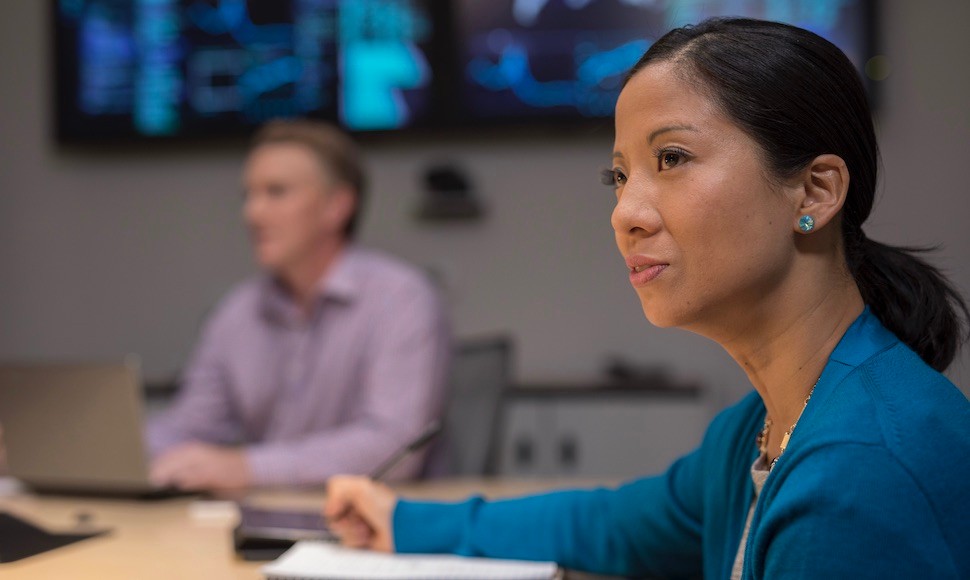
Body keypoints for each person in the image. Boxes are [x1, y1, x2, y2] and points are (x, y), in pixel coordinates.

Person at [322, 18, 970, 579]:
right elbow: (613, 525)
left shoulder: (858, 474)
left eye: (674, 159)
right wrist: (404, 521)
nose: (624, 213)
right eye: (619, 175)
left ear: (815, 192)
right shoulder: (759, 428)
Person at [147, 120, 451, 491]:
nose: (253, 213)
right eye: (248, 195)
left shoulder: (401, 298)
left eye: (276, 192)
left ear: (337, 206)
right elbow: (190, 425)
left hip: (377, 531)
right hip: (268, 524)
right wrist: (123, 456)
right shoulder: (237, 312)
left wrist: (247, 468)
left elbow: (393, 447)